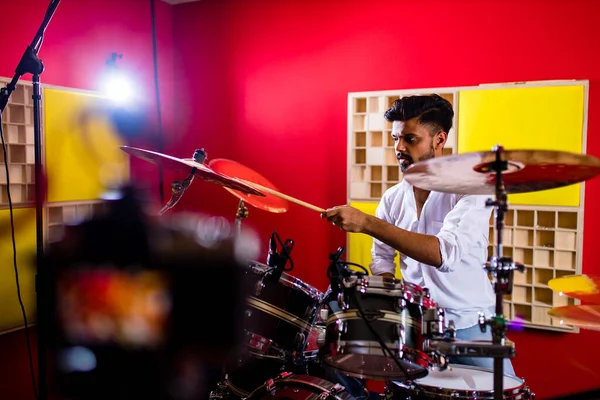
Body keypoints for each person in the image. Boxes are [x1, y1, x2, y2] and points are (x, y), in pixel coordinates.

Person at [321, 94, 514, 398]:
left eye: (409, 139)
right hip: (413, 332)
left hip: (469, 328)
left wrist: (368, 223)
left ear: (439, 139)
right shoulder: (393, 197)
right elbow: (382, 258)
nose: (399, 148)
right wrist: (386, 306)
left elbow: (444, 253)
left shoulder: (474, 187)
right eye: (396, 138)